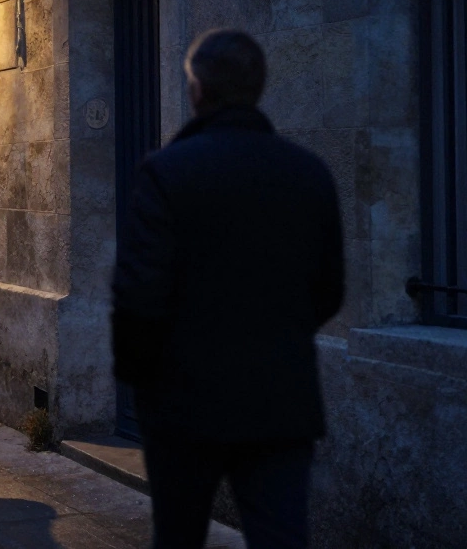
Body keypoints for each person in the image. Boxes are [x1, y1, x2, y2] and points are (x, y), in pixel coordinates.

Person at [112, 29, 344, 549]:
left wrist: (143, 384)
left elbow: (138, 295)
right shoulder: (308, 173)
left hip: (182, 402)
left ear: (197, 90)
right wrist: (278, 338)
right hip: (280, 397)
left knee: (179, 537)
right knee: (281, 536)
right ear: (258, 88)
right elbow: (330, 288)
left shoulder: (166, 172)